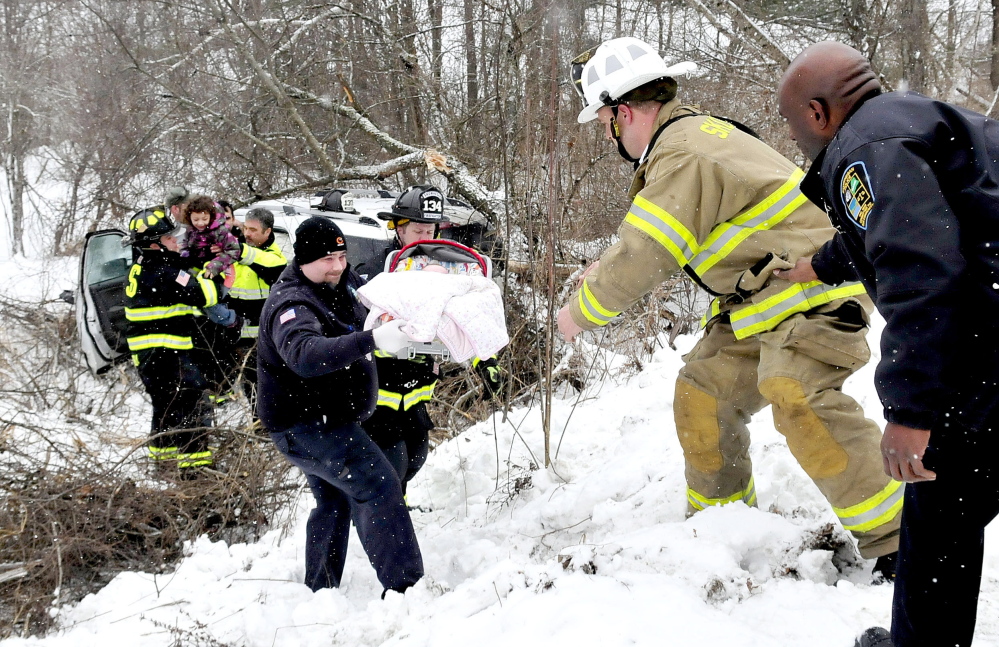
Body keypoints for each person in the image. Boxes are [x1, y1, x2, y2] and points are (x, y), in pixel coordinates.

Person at [558, 37, 902, 573]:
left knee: (797, 395)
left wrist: (578, 313)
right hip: (767, 299)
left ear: (621, 113)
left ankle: (902, 540)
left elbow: (646, 254)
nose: (609, 135)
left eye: (605, 122)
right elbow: (661, 237)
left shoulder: (684, 151)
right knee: (703, 394)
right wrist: (602, 268)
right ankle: (719, 533)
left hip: (813, 289)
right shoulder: (688, 142)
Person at [776, 41, 999, 647]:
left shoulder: (861, 152)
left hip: (987, 351)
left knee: (937, 516)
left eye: (793, 124)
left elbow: (922, 274)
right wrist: (816, 267)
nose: (797, 139)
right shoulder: (913, 120)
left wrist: (911, 412)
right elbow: (904, 227)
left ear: (820, 113)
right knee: (954, 512)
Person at [257, 216, 424, 594]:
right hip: (305, 427)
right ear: (302, 260)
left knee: (333, 498)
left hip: (329, 421)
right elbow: (305, 353)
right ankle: (407, 590)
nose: (337, 265)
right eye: (327, 259)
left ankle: (320, 587)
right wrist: (372, 340)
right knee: (379, 486)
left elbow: (377, 298)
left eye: (341, 256)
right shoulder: (292, 304)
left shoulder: (340, 281)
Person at [361, 186, 503, 500]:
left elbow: (462, 320)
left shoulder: (447, 270)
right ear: (398, 228)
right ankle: (384, 519)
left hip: (416, 388)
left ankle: (396, 505)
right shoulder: (379, 270)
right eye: (417, 230)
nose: (426, 236)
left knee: (415, 457)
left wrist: (485, 359)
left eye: (431, 229)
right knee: (391, 464)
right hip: (379, 387)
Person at [124, 207, 221, 475]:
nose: (176, 241)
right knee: (192, 402)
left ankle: (163, 463)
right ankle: (196, 470)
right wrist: (211, 273)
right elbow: (205, 295)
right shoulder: (165, 271)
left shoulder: (142, 266)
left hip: (149, 354)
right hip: (168, 351)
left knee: (164, 404)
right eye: (169, 238)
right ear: (155, 245)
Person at [225, 207, 287, 406]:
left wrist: (238, 249)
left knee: (259, 386)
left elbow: (261, 261)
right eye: (245, 228)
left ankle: (262, 426)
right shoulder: (238, 253)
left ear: (268, 232)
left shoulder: (275, 260)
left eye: (253, 230)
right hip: (234, 334)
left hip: (260, 338)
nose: (247, 234)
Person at [182, 196, 241, 328]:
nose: (200, 223)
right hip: (197, 268)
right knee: (189, 291)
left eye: (204, 219)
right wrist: (184, 255)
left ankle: (230, 320)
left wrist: (214, 266)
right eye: (196, 219)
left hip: (219, 270)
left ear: (211, 216)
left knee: (209, 299)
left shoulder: (220, 231)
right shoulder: (191, 231)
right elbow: (186, 245)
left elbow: (234, 251)